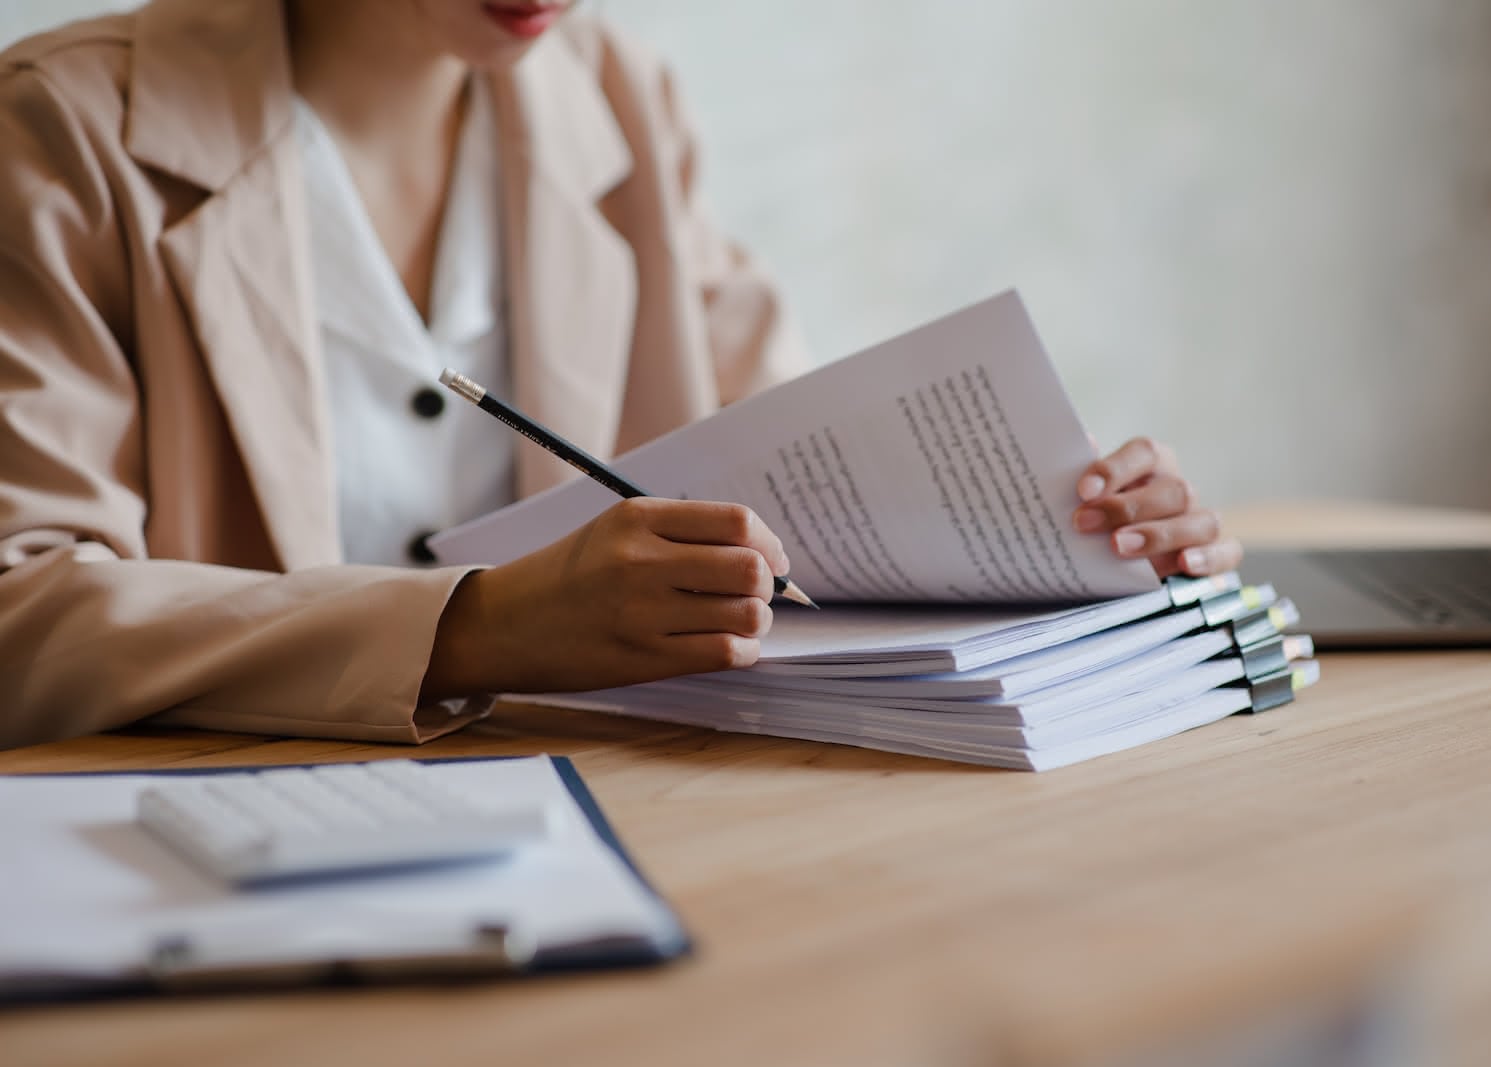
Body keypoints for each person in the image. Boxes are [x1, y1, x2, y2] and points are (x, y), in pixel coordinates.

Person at [0, 0, 1243, 750]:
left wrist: (1082, 532)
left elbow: (818, 503)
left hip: (602, 824)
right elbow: (26, 618)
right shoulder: (60, 131)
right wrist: (479, 629)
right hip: (215, 855)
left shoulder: (615, 97)